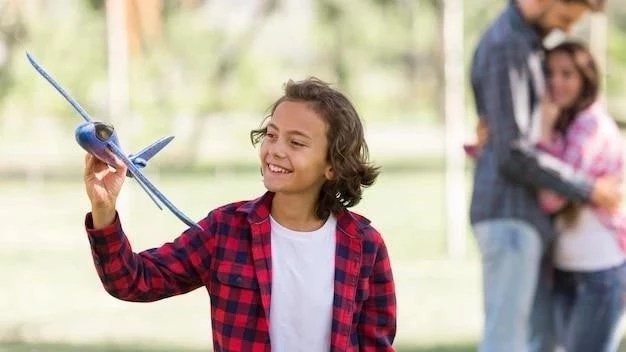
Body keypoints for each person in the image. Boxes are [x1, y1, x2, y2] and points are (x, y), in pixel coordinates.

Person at [82, 77, 397, 351]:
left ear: (333, 164)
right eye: (271, 135)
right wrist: (104, 208)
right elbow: (132, 281)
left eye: (296, 142)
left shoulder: (365, 246)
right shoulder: (224, 230)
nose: (275, 149)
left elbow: (375, 345)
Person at [468, 1, 614, 351]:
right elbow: (513, 153)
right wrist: (588, 188)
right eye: (566, 17)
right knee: (506, 341)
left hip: (525, 218)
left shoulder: (527, 44)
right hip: (509, 213)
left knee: (538, 341)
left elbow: (514, 135)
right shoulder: (508, 46)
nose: (565, 28)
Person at [536, 41, 626, 352]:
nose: (555, 82)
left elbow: (550, 197)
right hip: (564, 269)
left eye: (566, 74)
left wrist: (545, 132)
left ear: (585, 78)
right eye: (549, 73)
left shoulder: (592, 125)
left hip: (600, 272)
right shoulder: (564, 123)